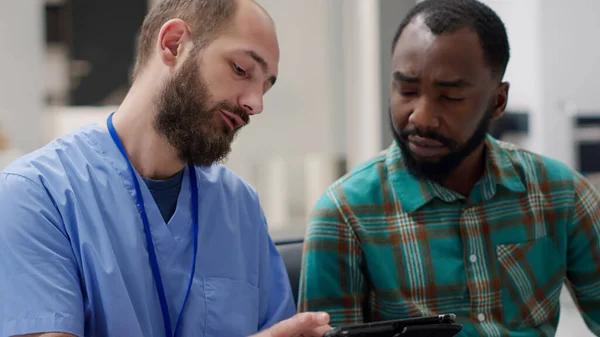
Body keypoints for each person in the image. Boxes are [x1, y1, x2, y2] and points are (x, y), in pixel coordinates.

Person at [0, 0, 332, 336]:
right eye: (241, 70)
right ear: (174, 44)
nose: (255, 104)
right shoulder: (35, 196)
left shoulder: (239, 207)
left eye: (265, 87)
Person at [297, 0, 600, 336]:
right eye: (406, 90)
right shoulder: (344, 213)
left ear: (497, 101)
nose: (421, 117)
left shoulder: (562, 194)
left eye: (451, 97)